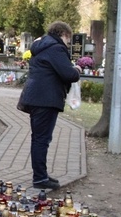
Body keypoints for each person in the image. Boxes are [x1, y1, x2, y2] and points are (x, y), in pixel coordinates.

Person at [18, 21, 81, 190]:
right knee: (41, 140)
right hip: (45, 99)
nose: (68, 43)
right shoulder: (56, 48)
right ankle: (39, 178)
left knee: (39, 138)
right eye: (69, 39)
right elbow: (68, 74)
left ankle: (41, 175)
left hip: (35, 97)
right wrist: (77, 70)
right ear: (64, 35)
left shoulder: (40, 46)